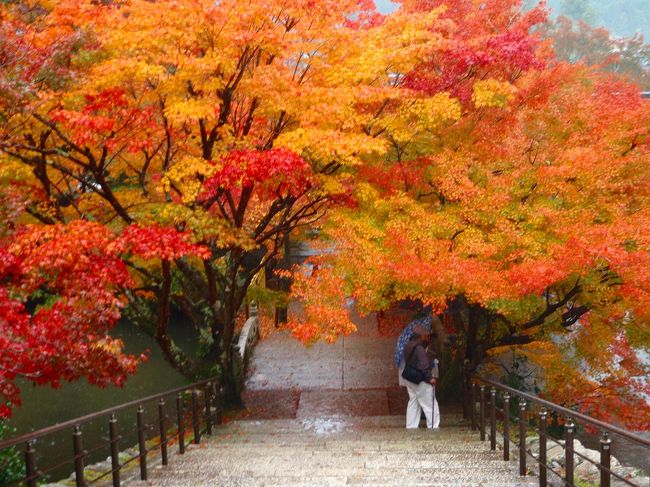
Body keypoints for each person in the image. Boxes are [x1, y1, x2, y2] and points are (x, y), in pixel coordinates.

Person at [402, 325, 440, 429]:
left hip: (410, 378)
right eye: (426, 335)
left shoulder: (408, 345)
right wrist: (430, 378)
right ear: (421, 336)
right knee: (430, 404)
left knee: (413, 403)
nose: (427, 337)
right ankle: (433, 426)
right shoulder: (419, 349)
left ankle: (411, 426)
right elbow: (424, 366)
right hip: (421, 380)